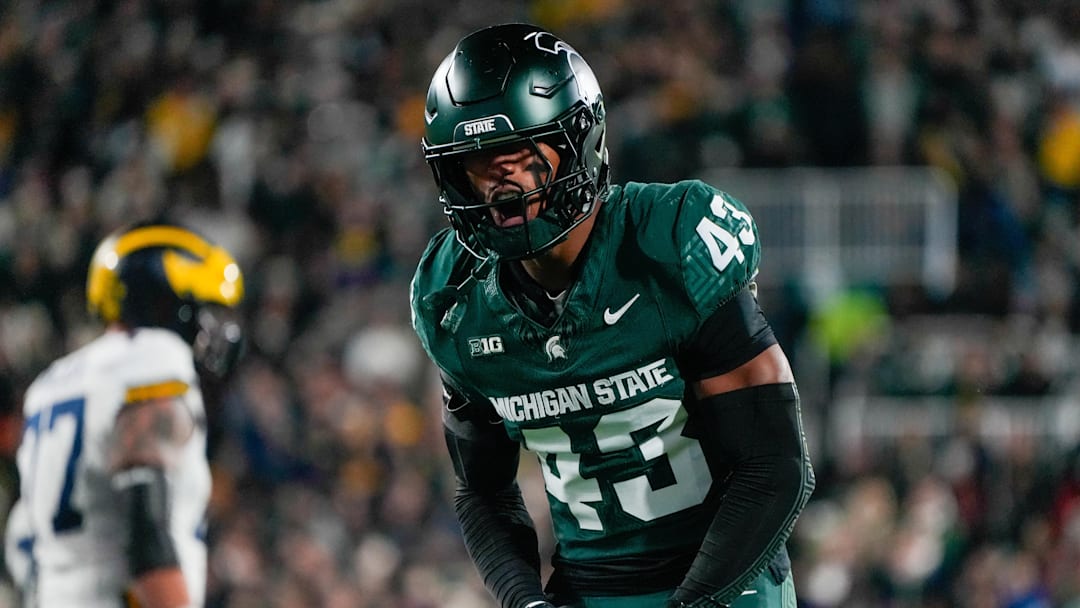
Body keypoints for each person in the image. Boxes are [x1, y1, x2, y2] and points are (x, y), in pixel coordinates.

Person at [410, 23, 816, 608]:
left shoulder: (667, 246)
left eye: (520, 155)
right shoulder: (456, 299)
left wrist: (695, 603)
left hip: (726, 582)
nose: (501, 185)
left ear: (580, 140)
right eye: (478, 163)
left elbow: (774, 465)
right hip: (588, 589)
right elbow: (483, 491)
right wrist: (525, 600)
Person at [4, 224, 245, 607]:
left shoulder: (50, 385)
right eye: (203, 310)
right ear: (165, 300)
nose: (211, 329)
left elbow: (22, 538)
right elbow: (147, 531)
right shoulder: (155, 359)